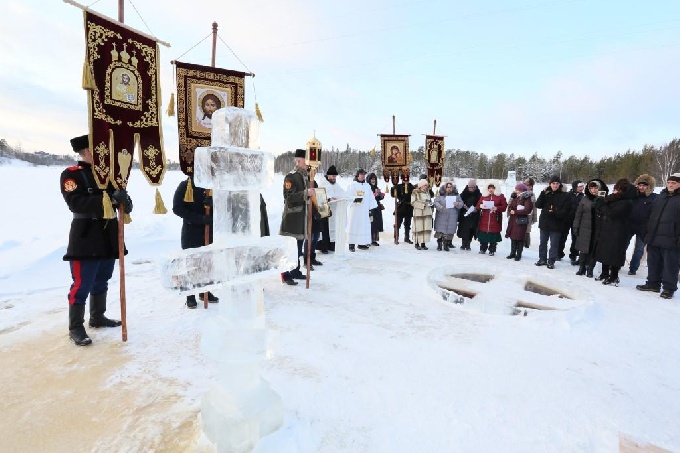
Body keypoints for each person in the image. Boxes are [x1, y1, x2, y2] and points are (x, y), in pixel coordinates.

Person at [61, 134, 131, 346]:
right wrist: (110, 198)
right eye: (97, 148)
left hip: (108, 235)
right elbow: (77, 203)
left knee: (102, 280)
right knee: (82, 283)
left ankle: (97, 317)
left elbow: (125, 207)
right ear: (85, 151)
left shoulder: (109, 175)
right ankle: (75, 327)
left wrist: (124, 200)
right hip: (86, 236)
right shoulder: (72, 175)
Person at [172, 175, 219, 308]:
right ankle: (190, 294)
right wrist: (199, 218)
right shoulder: (185, 185)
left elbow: (223, 206)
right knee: (191, 264)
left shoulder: (211, 186)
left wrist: (213, 204)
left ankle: (205, 291)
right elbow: (177, 208)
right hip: (191, 231)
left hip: (208, 232)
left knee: (207, 263)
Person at [636, 173, 680, 299]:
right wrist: (646, 230)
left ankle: (668, 289)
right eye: (669, 182)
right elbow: (649, 214)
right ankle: (653, 284)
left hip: (672, 239)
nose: (671, 185)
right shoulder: (661, 197)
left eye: (674, 183)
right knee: (653, 262)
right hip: (654, 236)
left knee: (670, 266)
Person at [592, 179, 636, 286]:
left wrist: (601, 205)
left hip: (618, 231)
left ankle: (614, 276)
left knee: (614, 254)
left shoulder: (627, 202)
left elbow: (612, 213)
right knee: (604, 251)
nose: (615, 191)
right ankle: (605, 273)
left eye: (618, 190)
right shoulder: (612, 198)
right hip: (607, 229)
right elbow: (604, 209)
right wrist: (599, 203)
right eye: (615, 189)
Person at [279, 148, 313, 285]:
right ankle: (285, 274)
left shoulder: (306, 176)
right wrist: (305, 193)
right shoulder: (291, 176)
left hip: (302, 219)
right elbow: (288, 197)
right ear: (299, 161)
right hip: (293, 219)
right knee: (291, 248)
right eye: (306, 160)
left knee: (299, 247)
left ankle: (295, 270)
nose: (308, 163)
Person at [572, 179, 608, 278]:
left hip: (597, 228)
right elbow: (578, 213)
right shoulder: (585, 199)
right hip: (585, 228)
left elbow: (606, 213)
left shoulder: (604, 198)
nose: (593, 190)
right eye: (591, 188)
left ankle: (590, 269)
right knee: (583, 249)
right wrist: (576, 226)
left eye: (595, 188)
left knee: (593, 250)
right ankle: (582, 268)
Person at [534, 175, 571, 269]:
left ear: (559, 184)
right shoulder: (546, 193)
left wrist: (555, 213)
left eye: (557, 183)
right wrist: (542, 193)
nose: (555, 185)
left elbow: (566, 210)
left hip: (556, 224)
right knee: (543, 242)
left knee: (554, 244)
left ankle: (551, 261)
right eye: (553, 183)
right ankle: (542, 259)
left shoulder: (564, 195)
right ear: (550, 184)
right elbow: (538, 205)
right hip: (544, 223)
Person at [626, 174, 657, 275]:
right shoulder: (633, 195)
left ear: (649, 186)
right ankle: (617, 264)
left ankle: (633, 268)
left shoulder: (653, 198)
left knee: (639, 249)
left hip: (643, 227)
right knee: (623, 245)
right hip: (629, 225)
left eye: (644, 185)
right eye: (640, 185)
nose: (642, 187)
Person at [347, 168, 377, 251]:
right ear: (357, 175)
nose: (363, 176)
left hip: (364, 210)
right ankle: (351, 244)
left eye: (364, 174)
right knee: (354, 226)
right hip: (355, 210)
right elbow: (348, 196)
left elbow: (371, 196)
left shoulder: (367, 186)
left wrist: (372, 206)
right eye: (361, 174)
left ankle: (361, 243)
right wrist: (355, 199)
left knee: (363, 226)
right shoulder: (353, 185)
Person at [475, 183, 508, 256]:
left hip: (495, 219)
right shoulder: (484, 196)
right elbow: (478, 206)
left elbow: (504, 206)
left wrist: (497, 208)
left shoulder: (500, 196)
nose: (491, 189)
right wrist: (481, 206)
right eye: (489, 188)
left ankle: (492, 250)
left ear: (496, 189)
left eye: (492, 188)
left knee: (493, 235)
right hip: (484, 218)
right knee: (483, 235)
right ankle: (483, 248)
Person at [318, 165, 345, 253]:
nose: (334, 178)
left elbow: (342, 193)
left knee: (332, 228)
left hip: (333, 210)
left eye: (335, 177)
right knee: (324, 229)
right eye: (333, 176)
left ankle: (331, 245)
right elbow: (320, 195)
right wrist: (329, 199)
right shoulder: (323, 183)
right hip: (324, 210)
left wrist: (346, 196)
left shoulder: (336, 185)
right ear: (328, 176)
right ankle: (324, 247)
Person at [505, 182, 533, 261]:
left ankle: (519, 254)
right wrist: (511, 209)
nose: (515, 191)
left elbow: (528, 210)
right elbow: (510, 206)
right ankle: (512, 253)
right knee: (513, 237)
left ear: (521, 190)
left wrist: (516, 212)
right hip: (513, 220)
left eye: (517, 189)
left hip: (521, 221)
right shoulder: (516, 197)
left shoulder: (526, 198)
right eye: (516, 189)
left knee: (519, 238)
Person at [433, 181, 463, 251]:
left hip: (452, 215)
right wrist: (440, 207)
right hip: (442, 215)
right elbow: (435, 202)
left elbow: (461, 203)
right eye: (448, 187)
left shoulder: (456, 195)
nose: (449, 189)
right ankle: (439, 244)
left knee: (449, 231)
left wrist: (457, 204)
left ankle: (446, 244)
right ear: (445, 188)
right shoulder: (440, 194)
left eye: (450, 187)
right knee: (440, 230)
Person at [563, 181, 585, 264]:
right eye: (579, 186)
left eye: (582, 187)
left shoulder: (583, 197)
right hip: (566, 219)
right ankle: (559, 253)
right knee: (563, 237)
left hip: (577, 220)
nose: (581, 188)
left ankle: (573, 255)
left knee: (575, 238)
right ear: (575, 186)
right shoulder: (568, 195)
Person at [391, 171, 415, 244]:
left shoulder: (411, 186)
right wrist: (393, 189)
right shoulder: (398, 186)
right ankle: (396, 238)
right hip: (401, 207)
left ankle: (407, 238)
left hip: (409, 207)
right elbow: (393, 195)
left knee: (407, 224)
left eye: (407, 180)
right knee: (397, 223)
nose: (406, 181)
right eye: (404, 180)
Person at [458, 179, 482, 250]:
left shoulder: (478, 194)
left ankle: (468, 244)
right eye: (470, 187)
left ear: (475, 187)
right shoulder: (464, 193)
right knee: (464, 230)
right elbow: (460, 201)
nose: (471, 189)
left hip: (474, 215)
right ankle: (463, 244)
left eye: (473, 187)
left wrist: (476, 208)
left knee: (471, 230)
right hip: (465, 215)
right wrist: (463, 206)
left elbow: (480, 203)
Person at [411, 179, 434, 250]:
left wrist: (431, 204)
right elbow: (413, 202)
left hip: (427, 213)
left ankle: (423, 243)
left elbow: (429, 200)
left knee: (425, 228)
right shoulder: (415, 192)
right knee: (418, 228)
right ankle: (417, 243)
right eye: (424, 185)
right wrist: (423, 205)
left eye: (426, 185)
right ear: (421, 186)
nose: (426, 187)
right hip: (419, 213)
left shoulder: (427, 193)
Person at [367, 172, 385, 246]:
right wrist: (374, 195)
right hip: (370, 208)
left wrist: (381, 195)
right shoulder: (367, 187)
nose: (373, 180)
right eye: (372, 179)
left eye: (374, 179)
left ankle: (374, 239)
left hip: (377, 208)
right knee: (371, 223)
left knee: (376, 223)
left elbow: (379, 198)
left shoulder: (376, 188)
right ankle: (369, 239)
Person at [523, 177, 538, 248]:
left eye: (530, 186)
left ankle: (526, 244)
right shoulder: (520, 193)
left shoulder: (532, 195)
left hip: (529, 215)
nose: (529, 187)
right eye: (527, 185)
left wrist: (534, 218)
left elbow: (534, 207)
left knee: (527, 230)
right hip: (521, 214)